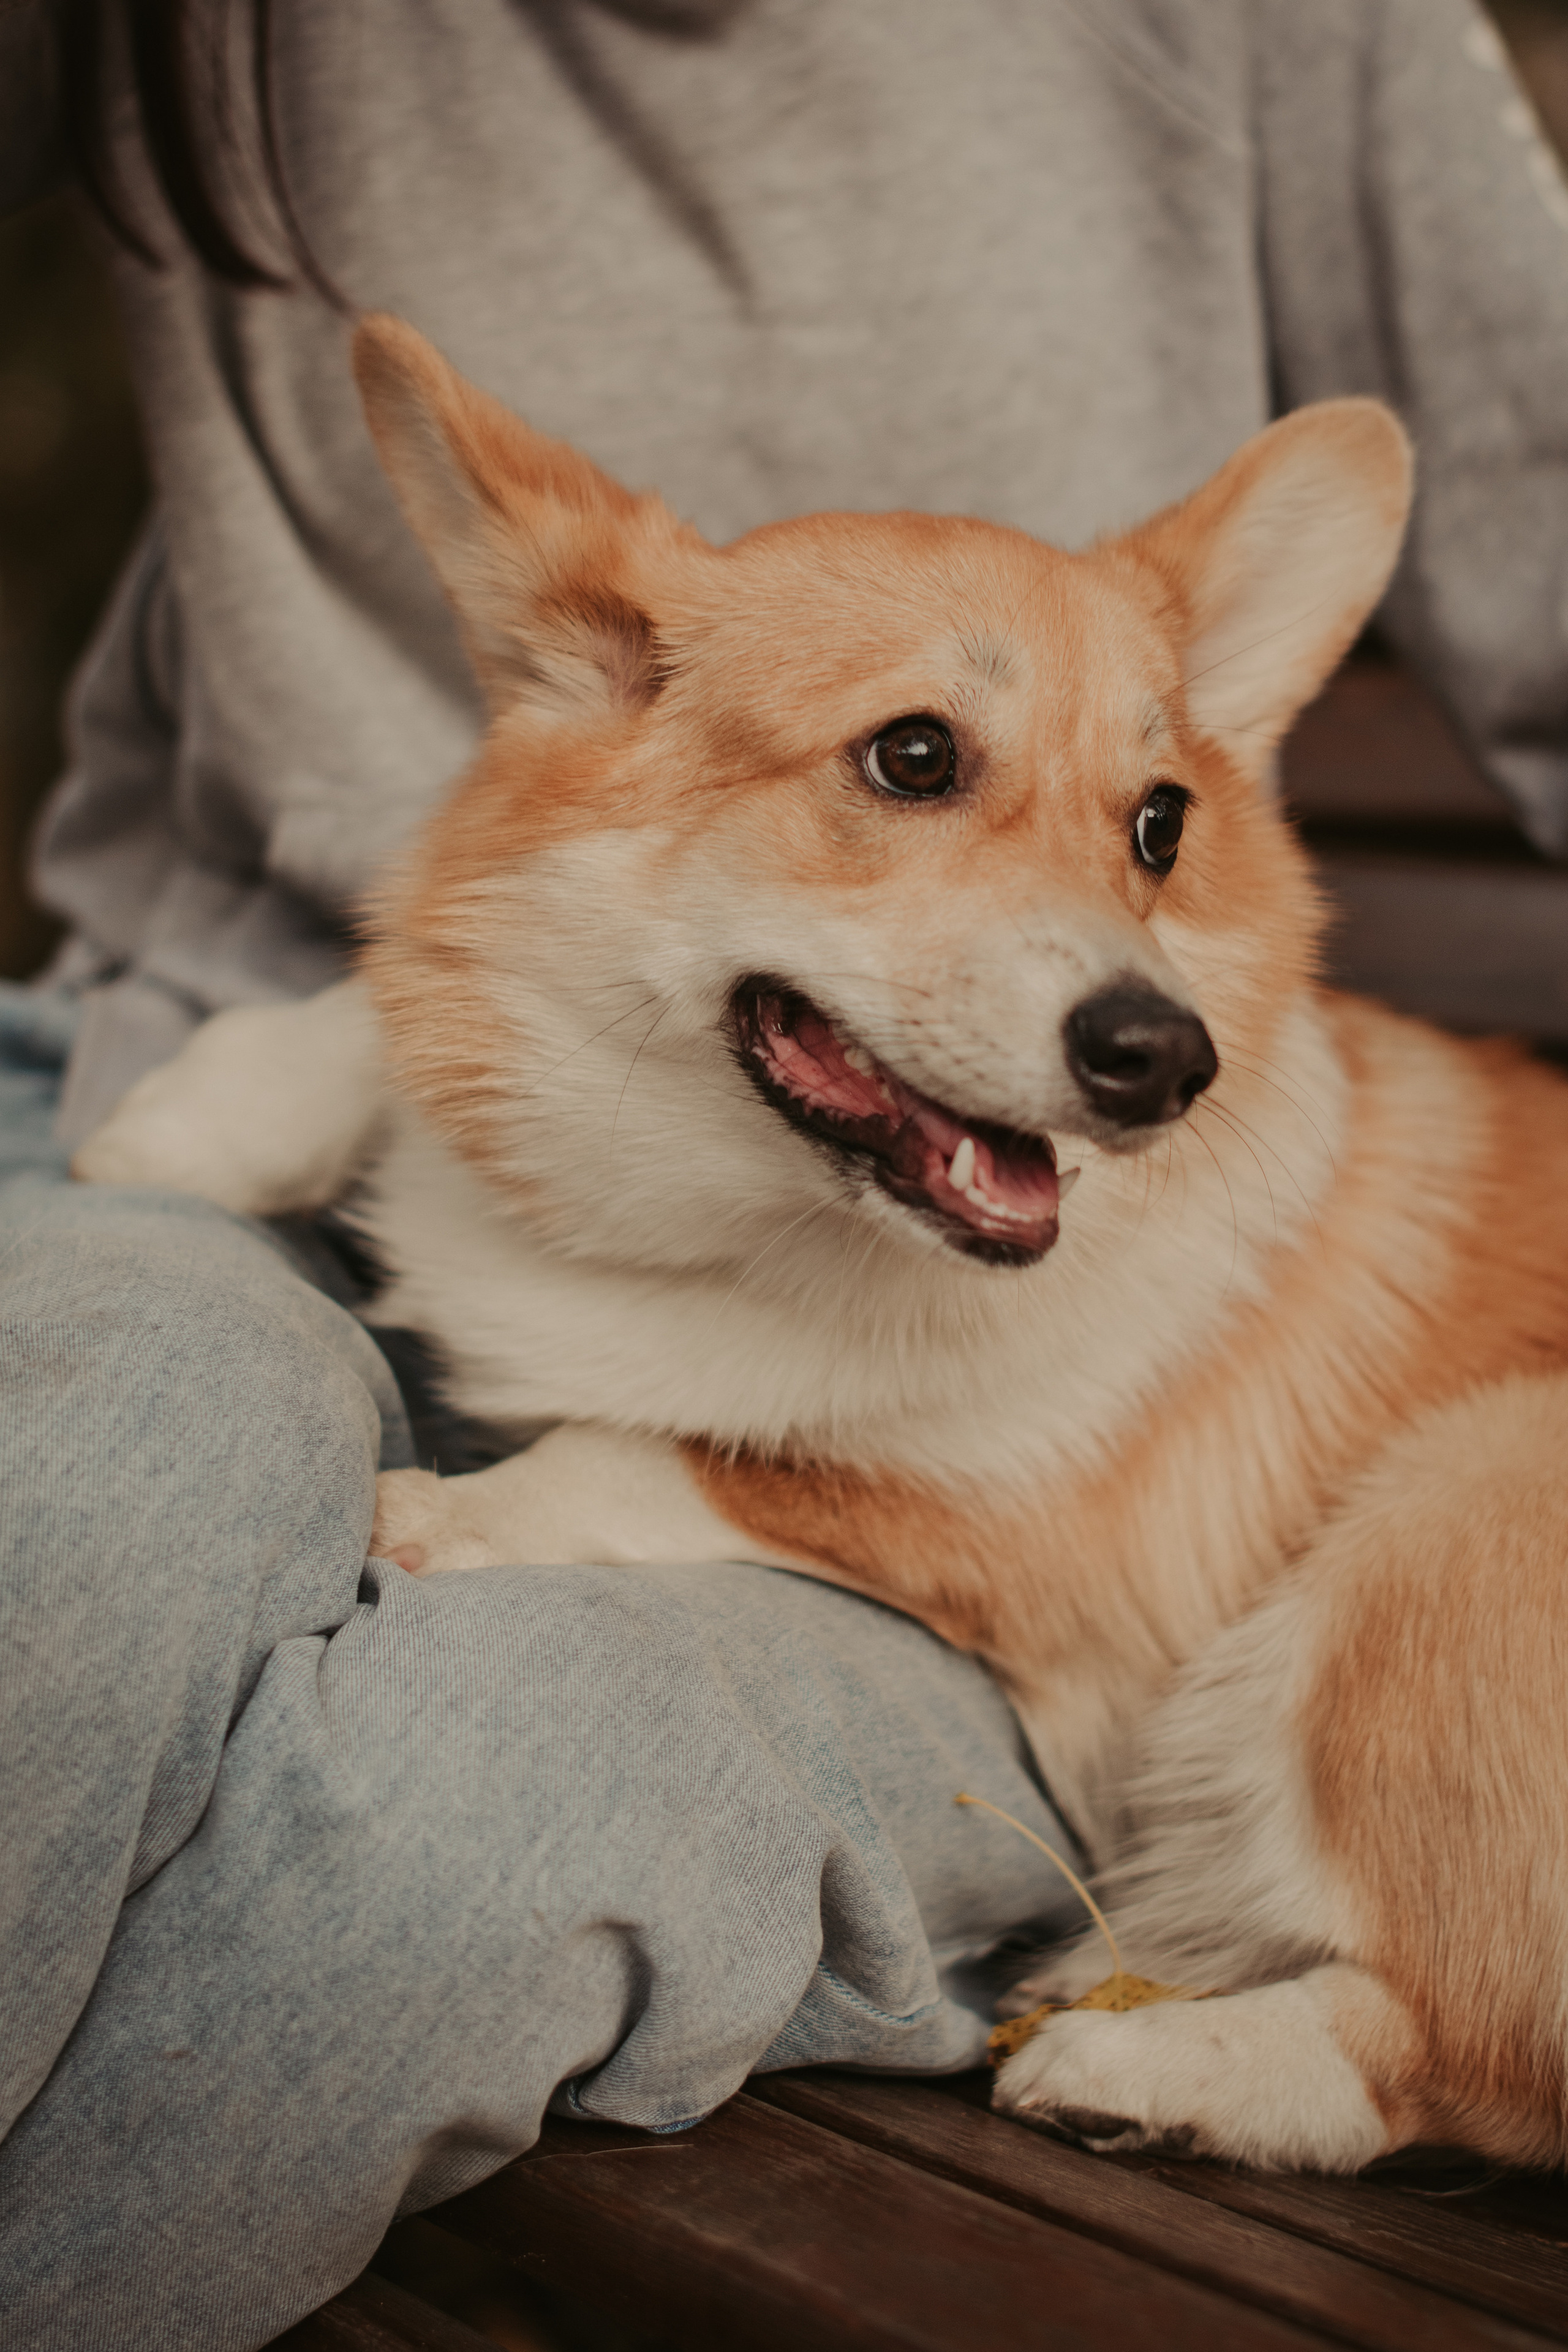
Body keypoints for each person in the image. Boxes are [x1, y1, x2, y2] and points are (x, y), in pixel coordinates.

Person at [2, 2, 1567, 2343]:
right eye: (918, 760)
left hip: (1000, 1614)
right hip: (285, 1128)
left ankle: (1417, 2043)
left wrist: (599, 1488)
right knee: (76, 1504)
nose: (1101, 911)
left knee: (427, 1843)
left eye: (1148, 820)